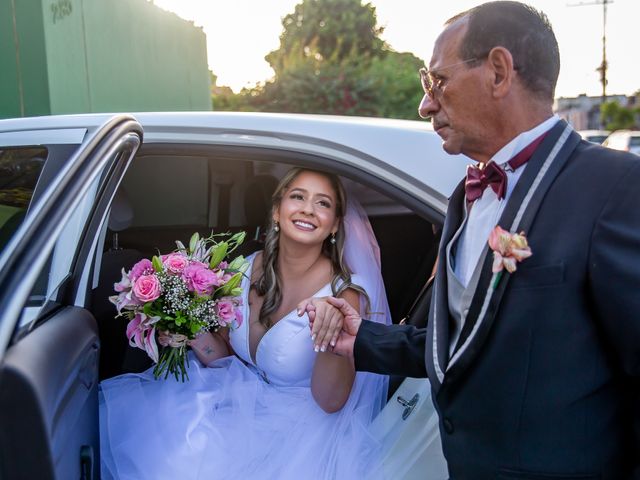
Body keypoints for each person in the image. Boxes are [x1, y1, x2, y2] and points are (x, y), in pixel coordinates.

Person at [303, 2, 640, 478]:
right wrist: (364, 338)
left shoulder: (616, 187)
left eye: (436, 82)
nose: (426, 104)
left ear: (499, 72)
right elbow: (465, 340)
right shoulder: (466, 196)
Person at [99, 168, 392, 479]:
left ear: (334, 224)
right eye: (298, 197)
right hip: (234, 406)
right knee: (162, 444)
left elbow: (331, 401)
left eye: (323, 203)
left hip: (298, 435)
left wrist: (329, 335)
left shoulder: (342, 292)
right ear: (277, 211)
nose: (308, 208)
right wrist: (190, 332)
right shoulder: (246, 267)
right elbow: (226, 360)